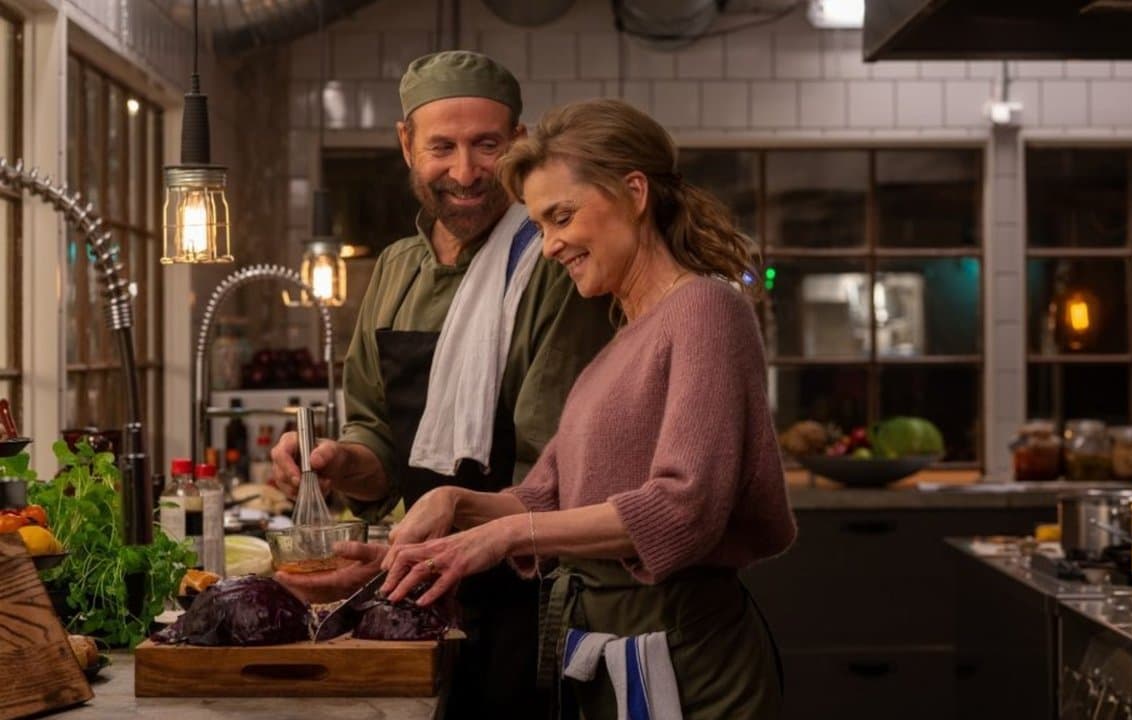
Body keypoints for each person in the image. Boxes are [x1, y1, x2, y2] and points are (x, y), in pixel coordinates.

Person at [378, 98, 797, 718]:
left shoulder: (706, 310)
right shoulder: (622, 338)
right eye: (540, 225)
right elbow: (547, 497)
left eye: (562, 216)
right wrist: (454, 507)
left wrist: (503, 535)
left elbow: (683, 509)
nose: (550, 246)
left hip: (688, 664)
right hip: (615, 651)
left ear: (634, 192)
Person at [268, 52, 614, 718]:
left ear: (519, 142)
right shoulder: (396, 268)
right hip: (415, 583)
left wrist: (439, 535)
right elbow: (379, 433)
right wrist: (340, 461)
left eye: (487, 145)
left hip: (523, 588)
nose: (464, 172)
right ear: (407, 145)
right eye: (442, 148)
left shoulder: (551, 266)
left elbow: (556, 469)